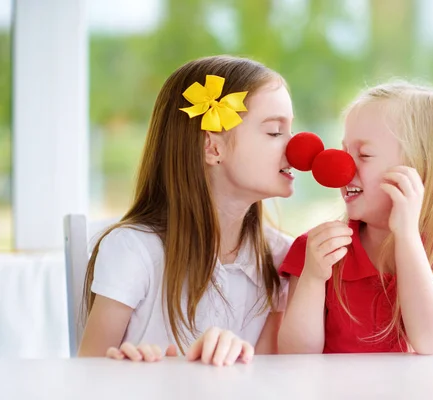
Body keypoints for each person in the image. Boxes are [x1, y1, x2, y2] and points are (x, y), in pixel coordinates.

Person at [78, 55, 295, 366]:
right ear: (213, 147)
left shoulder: (281, 257)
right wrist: (128, 368)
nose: (298, 146)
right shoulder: (133, 250)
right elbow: (87, 375)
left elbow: (271, 380)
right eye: (275, 131)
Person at [278, 80, 433, 355]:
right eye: (345, 151)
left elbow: (429, 341)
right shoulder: (317, 249)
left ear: (428, 176)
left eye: (365, 154)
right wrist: (312, 277)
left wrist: (406, 235)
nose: (342, 166)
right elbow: (295, 356)